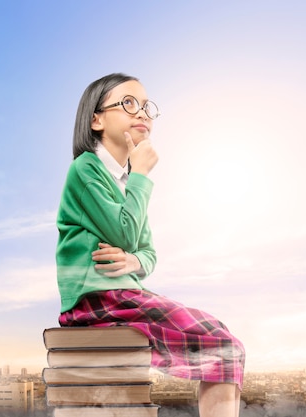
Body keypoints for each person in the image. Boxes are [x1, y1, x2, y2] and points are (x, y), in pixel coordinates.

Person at [55, 73, 245, 417]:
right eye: (128, 103)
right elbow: (128, 233)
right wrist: (142, 174)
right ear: (96, 119)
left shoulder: (126, 181)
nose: (142, 113)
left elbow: (147, 252)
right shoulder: (86, 170)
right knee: (225, 347)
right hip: (98, 301)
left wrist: (132, 261)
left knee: (224, 341)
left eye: (146, 106)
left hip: (124, 296)